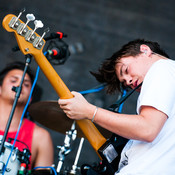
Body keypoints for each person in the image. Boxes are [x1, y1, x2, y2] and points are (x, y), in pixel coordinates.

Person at [58, 39, 175, 175]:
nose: (129, 81)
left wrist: (89, 111)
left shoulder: (160, 67)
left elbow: (147, 129)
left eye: (126, 69)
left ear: (145, 50)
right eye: (126, 83)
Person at [0, 61, 54, 171]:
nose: (19, 85)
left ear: (30, 98)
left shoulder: (41, 137)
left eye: (26, 84)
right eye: (13, 80)